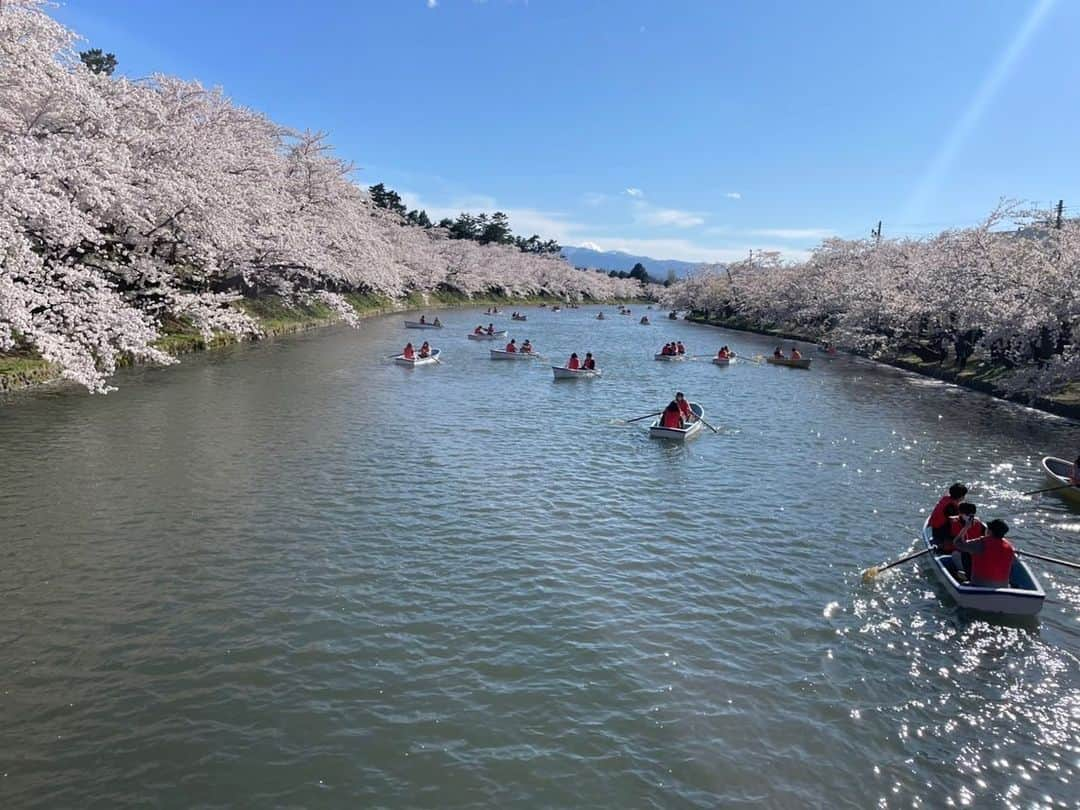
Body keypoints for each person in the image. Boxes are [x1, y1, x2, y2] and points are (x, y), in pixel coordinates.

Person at [952, 519, 1016, 588]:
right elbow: (1013, 561)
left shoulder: (981, 542)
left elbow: (957, 543)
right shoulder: (1010, 547)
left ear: (990, 531)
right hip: (1002, 586)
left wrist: (966, 527)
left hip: (979, 585)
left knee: (963, 555)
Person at [950, 502, 985, 579]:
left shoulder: (978, 523)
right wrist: (966, 527)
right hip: (963, 551)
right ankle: (966, 573)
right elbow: (957, 542)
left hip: (974, 552)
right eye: (968, 514)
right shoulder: (954, 522)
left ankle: (970, 574)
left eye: (971, 515)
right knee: (956, 554)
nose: (970, 517)